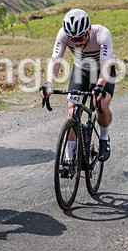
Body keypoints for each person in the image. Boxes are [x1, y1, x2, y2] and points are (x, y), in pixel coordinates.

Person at [40, 8, 116, 162]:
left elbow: (106, 65)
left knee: (99, 103)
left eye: (81, 37)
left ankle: (103, 137)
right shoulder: (63, 35)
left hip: (103, 70)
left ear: (88, 29)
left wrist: (100, 84)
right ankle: (69, 158)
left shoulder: (102, 34)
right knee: (72, 110)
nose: (78, 43)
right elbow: (55, 61)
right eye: (73, 40)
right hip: (81, 70)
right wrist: (48, 83)